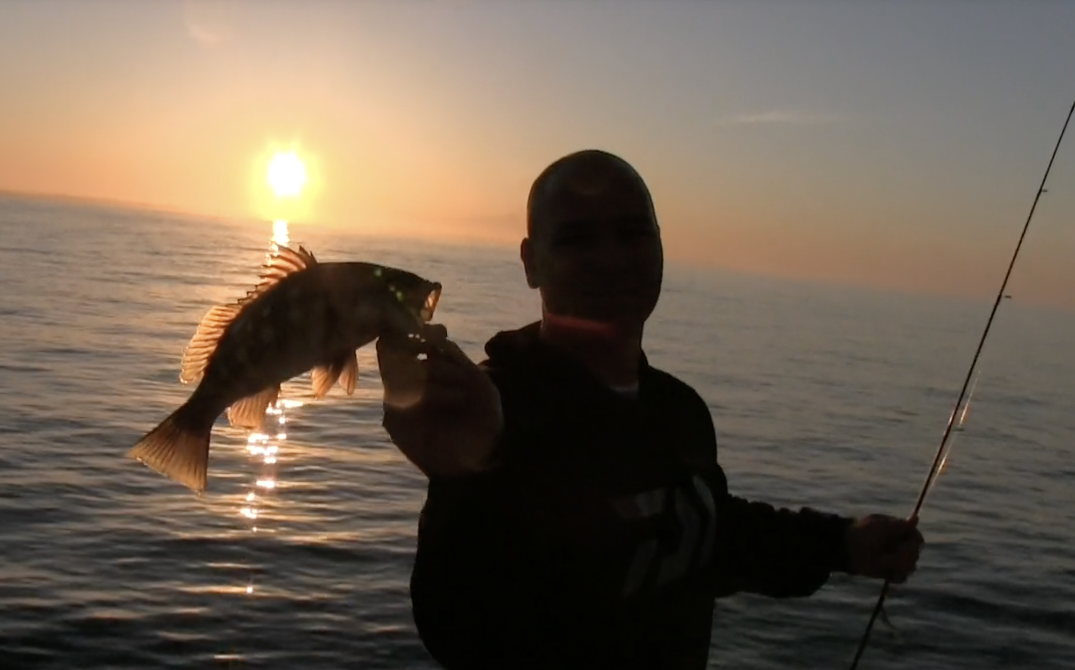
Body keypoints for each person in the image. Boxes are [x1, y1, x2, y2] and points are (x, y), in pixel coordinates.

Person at [375, 149, 924, 669]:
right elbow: (463, 630)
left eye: (633, 233)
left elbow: (702, 532)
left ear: (661, 245)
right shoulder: (493, 409)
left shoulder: (680, 410)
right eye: (577, 239)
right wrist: (462, 480)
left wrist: (842, 543)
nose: (611, 259)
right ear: (530, 262)